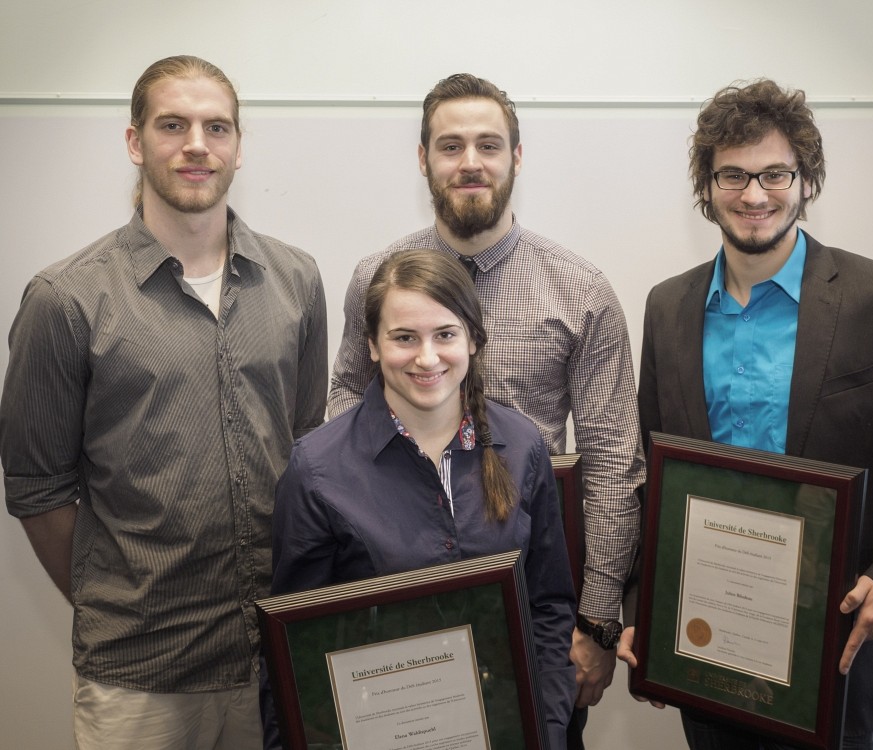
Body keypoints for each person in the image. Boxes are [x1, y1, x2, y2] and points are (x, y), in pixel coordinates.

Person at [618, 78, 873, 749]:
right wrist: (641, 607)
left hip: (837, 642)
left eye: (775, 173)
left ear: (806, 181)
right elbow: (654, 472)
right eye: (732, 175)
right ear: (706, 186)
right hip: (707, 642)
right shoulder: (667, 307)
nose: (754, 195)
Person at [0, 55, 328, 749]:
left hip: (274, 656)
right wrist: (114, 600)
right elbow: (37, 488)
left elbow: (305, 442)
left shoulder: (296, 280)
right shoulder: (66, 300)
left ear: (238, 146)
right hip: (139, 674)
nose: (197, 145)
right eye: (173, 125)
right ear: (135, 141)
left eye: (217, 127)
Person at [327, 73, 644, 746]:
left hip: (532, 612)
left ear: (516, 157)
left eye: (488, 145)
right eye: (451, 146)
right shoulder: (376, 279)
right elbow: (344, 409)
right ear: (423, 159)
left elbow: (614, 464)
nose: (470, 162)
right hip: (393, 611)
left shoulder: (581, 291)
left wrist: (596, 622)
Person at [269, 248, 576, 747]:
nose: (427, 358)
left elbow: (548, 607)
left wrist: (548, 728)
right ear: (372, 345)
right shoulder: (317, 470)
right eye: (404, 337)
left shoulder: (523, 448)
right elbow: (295, 646)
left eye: (445, 335)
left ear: (473, 339)